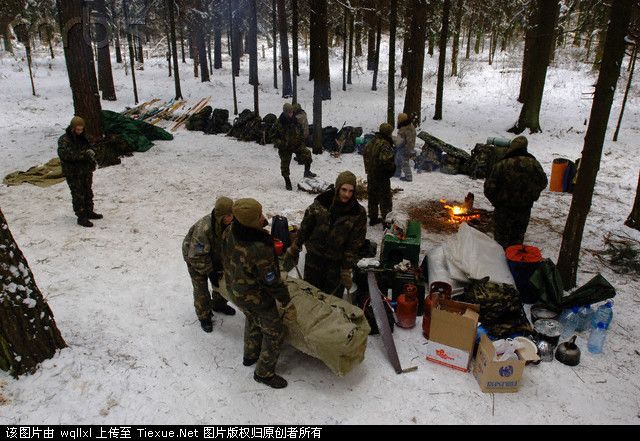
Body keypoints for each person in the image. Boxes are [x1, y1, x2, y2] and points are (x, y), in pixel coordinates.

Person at [221, 198, 296, 389]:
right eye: (259, 215)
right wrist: (286, 301)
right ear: (250, 221)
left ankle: (250, 354)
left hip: (234, 289)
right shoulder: (259, 248)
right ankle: (264, 372)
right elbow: (271, 282)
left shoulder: (231, 231)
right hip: (254, 296)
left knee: (252, 318)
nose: (264, 217)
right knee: (275, 332)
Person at [283, 171, 367, 296]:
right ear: (338, 187)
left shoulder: (358, 213)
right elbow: (306, 226)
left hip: (335, 263)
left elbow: (355, 243)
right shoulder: (321, 202)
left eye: (351, 191)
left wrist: (346, 268)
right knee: (310, 295)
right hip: (314, 258)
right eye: (344, 189)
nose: (347, 194)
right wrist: (295, 247)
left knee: (332, 299)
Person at [182, 196, 237, 333]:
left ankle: (219, 304)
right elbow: (195, 255)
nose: (232, 218)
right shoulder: (204, 228)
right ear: (221, 216)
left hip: (215, 254)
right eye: (229, 215)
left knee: (221, 281)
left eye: (233, 214)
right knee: (201, 288)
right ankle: (204, 316)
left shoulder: (229, 224)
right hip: (194, 257)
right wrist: (210, 270)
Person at [483, 136, 548, 248]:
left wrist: (497, 202)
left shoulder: (502, 164)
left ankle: (499, 263)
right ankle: (514, 262)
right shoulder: (534, 164)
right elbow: (543, 182)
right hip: (524, 209)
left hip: (503, 210)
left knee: (500, 242)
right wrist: (531, 196)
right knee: (517, 241)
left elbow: (489, 188)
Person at [57, 116, 101, 227]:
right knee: (78, 194)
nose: (80, 132)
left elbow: (93, 146)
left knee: (87, 191)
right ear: (72, 128)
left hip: (85, 170)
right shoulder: (64, 140)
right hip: (73, 172)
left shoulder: (85, 137)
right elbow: (65, 155)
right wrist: (83, 155)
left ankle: (89, 211)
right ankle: (81, 216)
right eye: (77, 129)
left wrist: (92, 152)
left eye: (81, 129)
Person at [274, 103, 316, 191]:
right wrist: (281, 143)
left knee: (307, 153)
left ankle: (307, 172)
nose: (291, 114)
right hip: (285, 147)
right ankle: (287, 181)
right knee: (285, 165)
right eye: (289, 112)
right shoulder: (279, 123)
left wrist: (301, 141)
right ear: (285, 112)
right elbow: (272, 136)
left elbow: (300, 131)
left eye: (292, 112)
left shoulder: (295, 120)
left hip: (296, 144)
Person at [363, 123, 396, 226]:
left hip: (371, 175)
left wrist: (369, 169)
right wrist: (392, 169)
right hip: (381, 177)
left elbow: (365, 155)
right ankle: (387, 222)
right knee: (385, 199)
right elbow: (386, 161)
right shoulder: (385, 144)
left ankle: (373, 218)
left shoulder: (371, 141)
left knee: (372, 197)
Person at [394, 113, 417, 182]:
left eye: (399, 118)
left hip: (405, 147)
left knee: (404, 162)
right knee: (397, 160)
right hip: (401, 146)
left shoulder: (407, 128)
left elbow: (410, 140)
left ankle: (409, 177)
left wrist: (408, 150)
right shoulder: (405, 125)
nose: (397, 120)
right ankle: (397, 174)